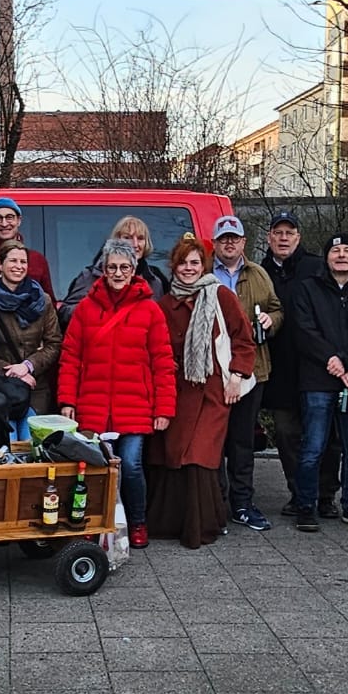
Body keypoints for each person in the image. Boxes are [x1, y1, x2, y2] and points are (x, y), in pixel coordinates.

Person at [58, 238, 177, 550]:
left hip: (135, 405)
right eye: (112, 267)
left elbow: (162, 362)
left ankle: (137, 522)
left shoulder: (150, 310)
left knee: (132, 465)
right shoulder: (86, 308)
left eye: (124, 267)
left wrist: (164, 409)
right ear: (103, 270)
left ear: (134, 269)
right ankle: (91, 523)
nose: (118, 272)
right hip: (92, 405)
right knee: (92, 469)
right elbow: (71, 357)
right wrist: (67, 400)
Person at [151, 234, 255, 548]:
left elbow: (243, 340)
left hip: (212, 391)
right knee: (171, 453)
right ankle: (170, 523)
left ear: (204, 265)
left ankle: (203, 526)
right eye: (182, 263)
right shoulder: (165, 303)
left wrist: (237, 375)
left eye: (194, 262)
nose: (188, 268)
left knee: (200, 455)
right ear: (173, 266)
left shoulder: (221, 296)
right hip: (176, 389)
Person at [290, 233, 348, 534]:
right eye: (335, 250)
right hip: (317, 378)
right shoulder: (308, 289)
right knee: (313, 446)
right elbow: (304, 330)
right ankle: (306, 505)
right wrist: (333, 360)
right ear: (326, 257)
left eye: (347, 251)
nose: (341, 255)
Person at [257, 211, 338, 518]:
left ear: (298, 237)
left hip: (318, 366)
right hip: (280, 368)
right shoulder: (260, 271)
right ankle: (299, 492)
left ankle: (327, 494)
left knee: (327, 436)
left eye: (289, 233)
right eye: (277, 233)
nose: (283, 238)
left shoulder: (317, 267)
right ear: (268, 238)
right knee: (287, 434)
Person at [210, 214, 281, 531]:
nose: (229, 243)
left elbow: (277, 308)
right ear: (214, 243)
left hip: (251, 372)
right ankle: (215, 503)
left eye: (234, 238)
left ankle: (242, 503)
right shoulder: (203, 274)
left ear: (243, 242)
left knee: (241, 441)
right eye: (223, 238)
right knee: (212, 441)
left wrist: (271, 319)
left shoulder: (259, 274)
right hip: (212, 373)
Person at [0, 239, 63, 424]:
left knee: (31, 446)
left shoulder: (42, 300)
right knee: (7, 447)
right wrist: (11, 371)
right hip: (0, 389)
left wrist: (27, 366)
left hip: (36, 389)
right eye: (13, 261)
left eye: (23, 262)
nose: (19, 266)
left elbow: (54, 343)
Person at [59, 215, 170, 324]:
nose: (135, 244)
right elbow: (65, 313)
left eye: (140, 238)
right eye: (128, 238)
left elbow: (159, 325)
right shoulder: (91, 276)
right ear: (116, 242)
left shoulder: (154, 282)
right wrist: (95, 312)